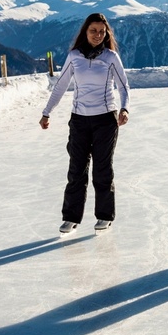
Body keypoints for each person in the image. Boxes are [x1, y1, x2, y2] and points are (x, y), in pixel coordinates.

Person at [40, 13, 130, 235]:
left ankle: (104, 216)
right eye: (93, 31)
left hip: (105, 120)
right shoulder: (74, 56)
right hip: (79, 120)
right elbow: (61, 86)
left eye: (102, 32)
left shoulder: (111, 57)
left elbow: (123, 86)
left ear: (106, 34)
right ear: (85, 32)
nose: (97, 35)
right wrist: (46, 112)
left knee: (102, 169)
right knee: (76, 170)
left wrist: (124, 108)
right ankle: (71, 218)